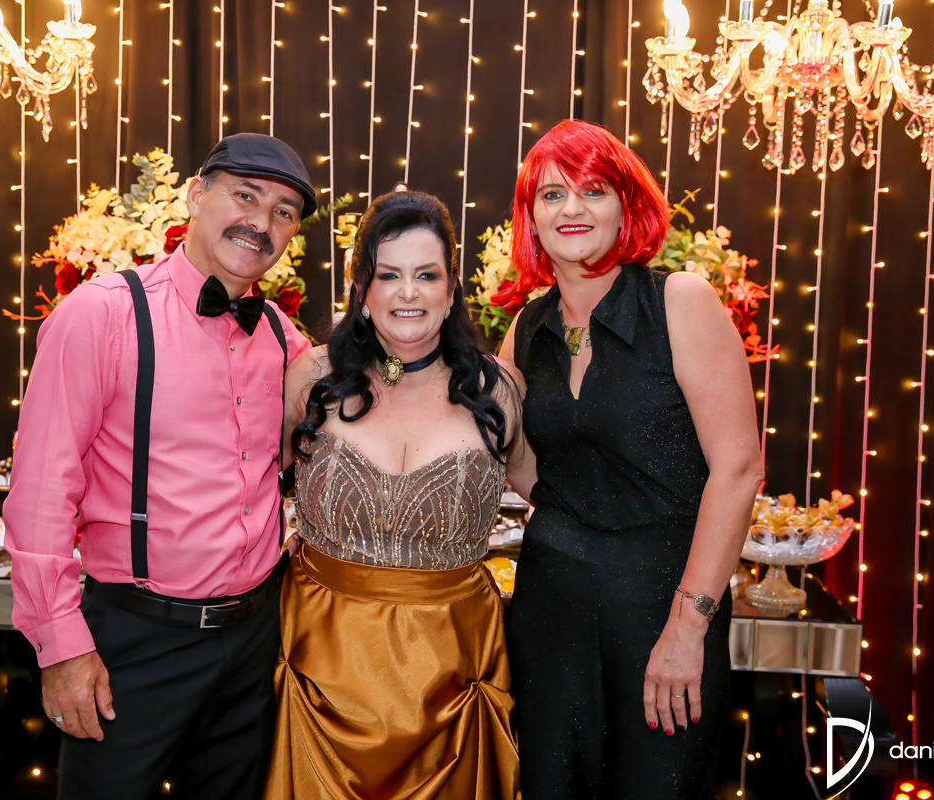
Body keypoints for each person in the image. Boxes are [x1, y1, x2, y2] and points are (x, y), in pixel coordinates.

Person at [4, 133, 317, 800]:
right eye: (246, 196)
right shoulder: (101, 314)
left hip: (255, 639)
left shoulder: (283, 338)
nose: (261, 222)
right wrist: (61, 645)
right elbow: (40, 492)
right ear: (196, 196)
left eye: (284, 212)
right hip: (136, 639)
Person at [497, 119, 764, 798]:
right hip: (551, 605)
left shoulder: (680, 301)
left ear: (627, 206)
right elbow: (527, 470)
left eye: (593, 190)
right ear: (531, 217)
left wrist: (688, 624)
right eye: (552, 195)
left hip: (665, 604)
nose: (573, 208)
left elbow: (738, 470)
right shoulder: (525, 328)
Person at [266, 190, 532, 800]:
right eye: (388, 275)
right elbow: (244, 485)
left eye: (426, 275)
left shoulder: (498, 389)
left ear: (451, 289)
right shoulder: (311, 377)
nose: (408, 292)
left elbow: (562, 499)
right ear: (362, 289)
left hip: (454, 671)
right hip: (319, 660)